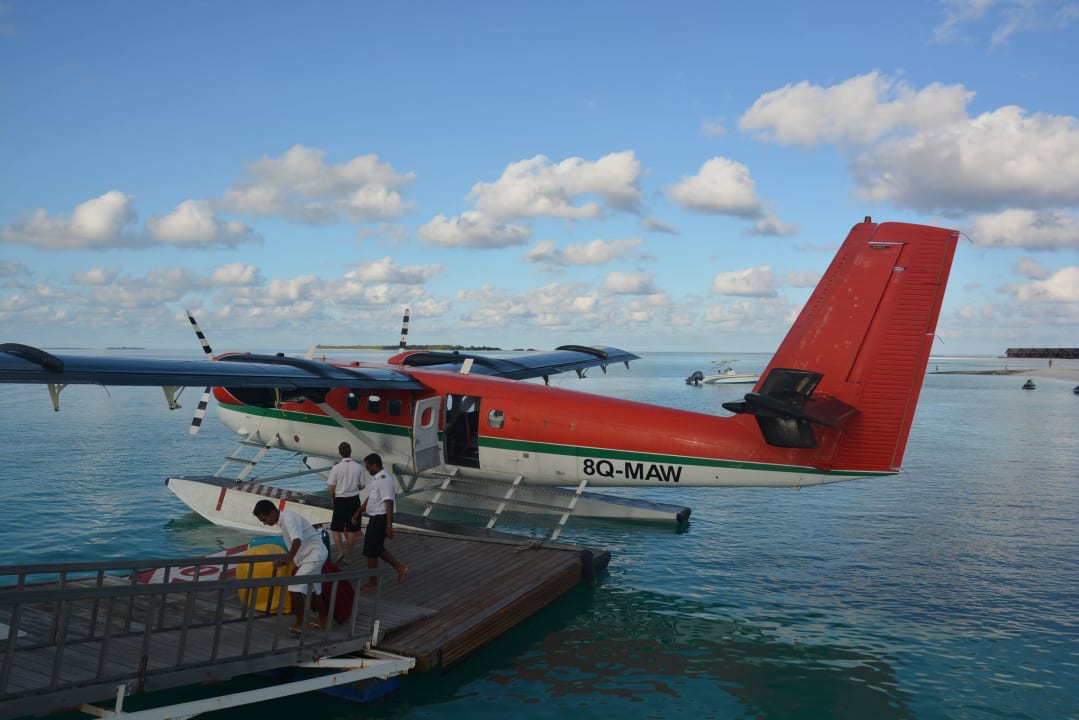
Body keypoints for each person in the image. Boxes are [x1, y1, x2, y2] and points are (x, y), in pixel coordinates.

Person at [252, 499, 329, 635]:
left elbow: (297, 540)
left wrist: (287, 560)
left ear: (272, 512)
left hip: (314, 555)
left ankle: (300, 625)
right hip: (310, 556)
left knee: (294, 587)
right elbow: (295, 542)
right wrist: (285, 559)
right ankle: (323, 619)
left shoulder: (288, 518)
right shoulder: (284, 520)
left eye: (264, 519)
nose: (265, 523)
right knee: (314, 589)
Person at [352, 453, 408, 591]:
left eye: (368, 466)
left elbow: (388, 503)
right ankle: (400, 568)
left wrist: (389, 526)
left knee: (371, 551)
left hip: (380, 518)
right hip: (375, 518)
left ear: (375, 465)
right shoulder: (377, 479)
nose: (367, 469)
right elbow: (370, 498)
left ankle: (373, 581)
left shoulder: (384, 480)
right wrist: (358, 512)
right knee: (376, 548)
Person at [327, 441, 364, 565]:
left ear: (340, 453)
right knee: (352, 530)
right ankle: (349, 557)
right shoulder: (359, 467)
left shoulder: (336, 468)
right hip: (354, 499)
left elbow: (331, 487)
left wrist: (333, 498)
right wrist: (354, 488)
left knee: (335, 528)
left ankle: (340, 552)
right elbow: (362, 486)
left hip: (340, 500)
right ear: (350, 452)